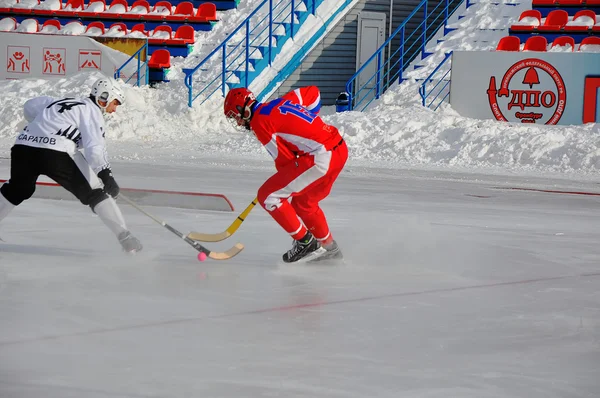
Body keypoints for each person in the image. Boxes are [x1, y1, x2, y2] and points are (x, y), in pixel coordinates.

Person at [0, 78, 143, 253]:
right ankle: (126, 238)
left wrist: (43, 126)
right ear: (104, 97)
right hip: (55, 152)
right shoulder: (92, 111)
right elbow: (94, 148)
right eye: (115, 103)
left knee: (18, 189)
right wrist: (105, 174)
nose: (114, 110)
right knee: (95, 193)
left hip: (23, 146)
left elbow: (30, 106)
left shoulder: (61, 101)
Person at [223, 86, 348, 263]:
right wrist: (310, 123)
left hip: (321, 158)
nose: (238, 123)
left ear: (241, 109)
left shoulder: (260, 122)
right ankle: (331, 249)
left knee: (268, 196)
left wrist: (281, 183)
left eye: (234, 117)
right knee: (304, 203)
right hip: (339, 149)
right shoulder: (280, 102)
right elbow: (313, 93)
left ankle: (305, 242)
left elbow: (284, 160)